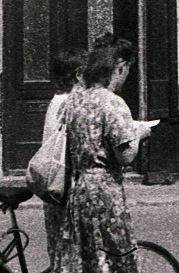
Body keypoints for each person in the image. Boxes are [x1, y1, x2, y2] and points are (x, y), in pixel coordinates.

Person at [56, 37, 155, 273]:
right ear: (119, 67)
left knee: (87, 256)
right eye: (126, 70)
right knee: (115, 255)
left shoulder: (75, 99)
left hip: (79, 188)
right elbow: (126, 156)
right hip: (103, 189)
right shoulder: (112, 103)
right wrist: (139, 134)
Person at [39, 48, 86, 269]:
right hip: (65, 186)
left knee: (58, 252)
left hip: (53, 185)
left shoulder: (56, 101)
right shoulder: (70, 103)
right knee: (69, 254)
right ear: (78, 75)